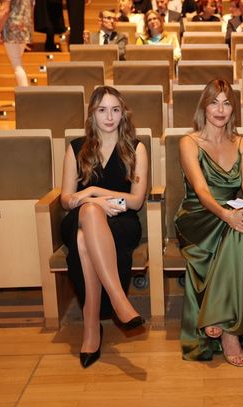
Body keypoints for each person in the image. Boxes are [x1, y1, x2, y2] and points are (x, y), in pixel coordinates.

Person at [176, 79, 243, 367]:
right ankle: (229, 331)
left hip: (233, 211)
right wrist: (227, 216)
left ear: (233, 109)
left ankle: (223, 323)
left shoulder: (242, 142)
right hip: (198, 215)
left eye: (226, 103)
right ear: (204, 106)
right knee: (239, 232)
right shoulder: (189, 142)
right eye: (214, 102)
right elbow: (201, 190)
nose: (220, 110)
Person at [60, 86, 148, 368]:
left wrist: (93, 191)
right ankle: (119, 299)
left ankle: (90, 325)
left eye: (115, 110)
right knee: (88, 213)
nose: (109, 117)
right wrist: (93, 201)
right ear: (92, 114)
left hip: (121, 221)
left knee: (83, 239)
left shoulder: (136, 148)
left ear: (123, 114)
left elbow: (135, 201)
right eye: (102, 110)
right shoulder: (76, 148)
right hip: (80, 216)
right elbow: (66, 199)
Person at [0, 0, 32, 88]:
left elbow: (5, 10)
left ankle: (25, 94)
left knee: (17, 64)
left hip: (12, 27)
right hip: (25, 26)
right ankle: (27, 90)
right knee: (18, 62)